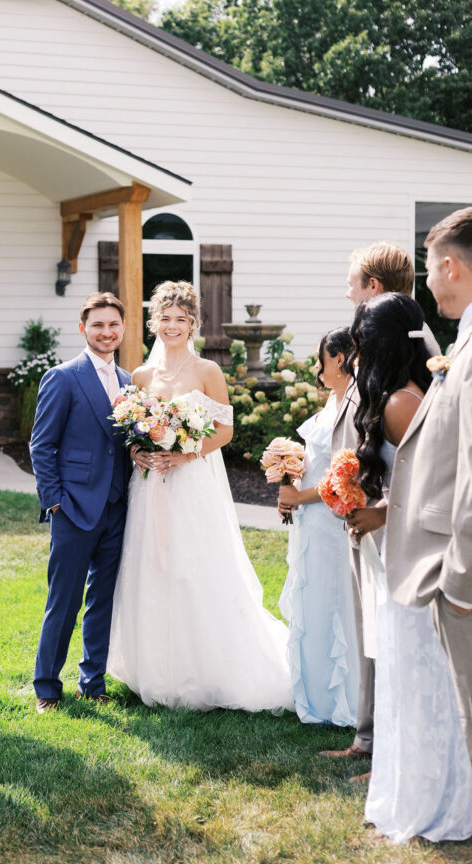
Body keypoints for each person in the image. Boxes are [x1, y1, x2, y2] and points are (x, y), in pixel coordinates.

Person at [107, 281, 293, 712]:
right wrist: (138, 450)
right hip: (150, 487)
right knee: (151, 565)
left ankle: (205, 669)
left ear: (193, 324)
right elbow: (129, 430)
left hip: (192, 485)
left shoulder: (207, 371)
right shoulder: (140, 376)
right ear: (154, 323)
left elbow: (226, 431)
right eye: (165, 319)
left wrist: (184, 455)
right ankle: (153, 669)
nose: (172, 326)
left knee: (194, 567)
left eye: (181, 320)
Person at [348, 291, 472, 841]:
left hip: (417, 553)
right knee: (406, 675)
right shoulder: (403, 393)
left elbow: (423, 481)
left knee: (422, 679)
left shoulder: (402, 400)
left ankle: (435, 802)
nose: (355, 349)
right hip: (399, 547)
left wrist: (374, 514)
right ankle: (410, 791)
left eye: (361, 340)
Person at [384, 206, 472, 763]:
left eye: (428, 270)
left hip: (459, 567)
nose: (428, 284)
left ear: (450, 266)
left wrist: (460, 579)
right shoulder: (460, 340)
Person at [30, 292, 132, 712]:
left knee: (103, 599)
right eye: (97, 325)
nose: (106, 332)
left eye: (113, 325)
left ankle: (93, 682)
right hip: (73, 508)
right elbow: (41, 445)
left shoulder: (130, 382)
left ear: (122, 328)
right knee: (64, 600)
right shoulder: (63, 377)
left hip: (117, 506)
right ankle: (46, 687)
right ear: (82, 328)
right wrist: (55, 502)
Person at [278, 327, 359, 727]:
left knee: (334, 601)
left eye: (321, 360)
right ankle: (312, 690)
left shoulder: (358, 403)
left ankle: (338, 700)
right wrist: (289, 478)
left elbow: (344, 477)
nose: (317, 368)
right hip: (312, 520)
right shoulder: (334, 396)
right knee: (313, 599)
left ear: (340, 359)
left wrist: (300, 497)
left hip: (332, 522)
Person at [345, 240, 439, 356]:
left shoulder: (388, 341)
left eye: (350, 285)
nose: (348, 294)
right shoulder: (420, 333)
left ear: (373, 285)